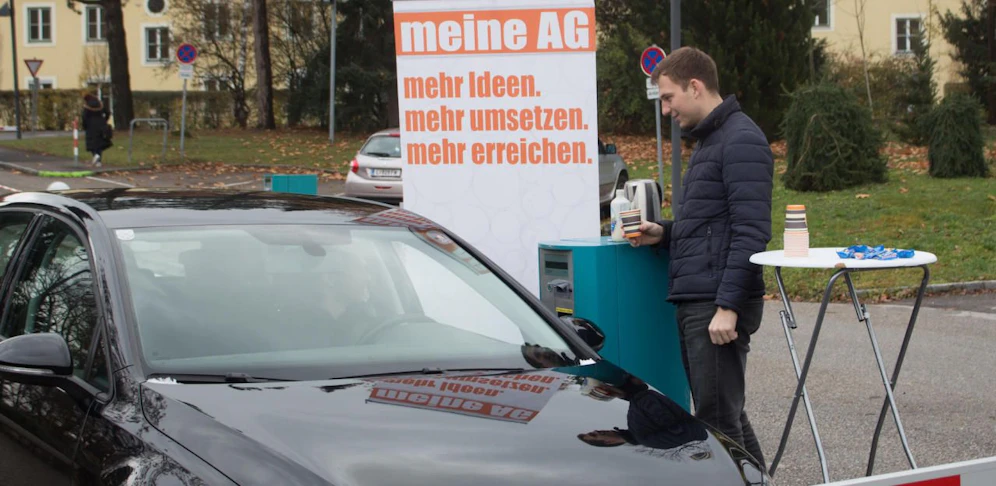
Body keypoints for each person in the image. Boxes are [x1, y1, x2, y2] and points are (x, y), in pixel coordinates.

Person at [629, 46, 773, 468]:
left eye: (670, 97)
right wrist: (665, 233)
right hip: (702, 298)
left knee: (714, 423)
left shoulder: (741, 140)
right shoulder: (713, 141)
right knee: (726, 418)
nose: (666, 110)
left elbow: (751, 232)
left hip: (716, 304)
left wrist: (727, 306)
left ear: (695, 86)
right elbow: (712, 228)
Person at [81, 93, 112, 166]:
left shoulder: (87, 107)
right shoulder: (101, 104)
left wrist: (84, 126)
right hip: (101, 125)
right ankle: (99, 161)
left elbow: (84, 117)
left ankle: (95, 155)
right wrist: (104, 120)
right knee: (99, 143)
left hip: (91, 126)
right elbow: (108, 113)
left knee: (92, 143)